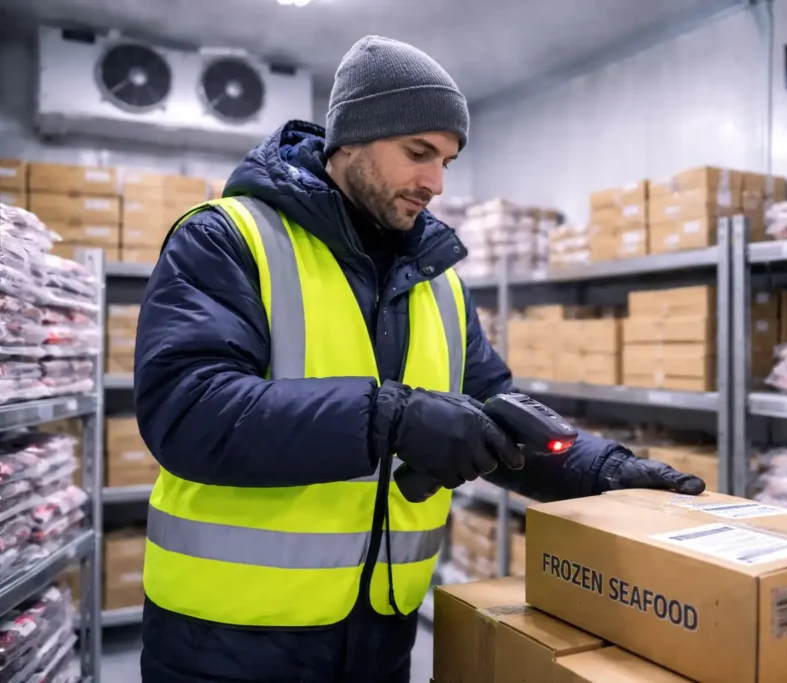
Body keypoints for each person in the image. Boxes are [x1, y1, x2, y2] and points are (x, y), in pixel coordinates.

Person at [133, 35, 706, 683]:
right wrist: (393, 418)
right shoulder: (228, 238)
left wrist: (604, 469)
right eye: (418, 153)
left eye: (447, 161)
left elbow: (499, 417)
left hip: (381, 632)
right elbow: (186, 411)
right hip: (229, 638)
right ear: (349, 138)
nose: (434, 182)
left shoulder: (438, 282)